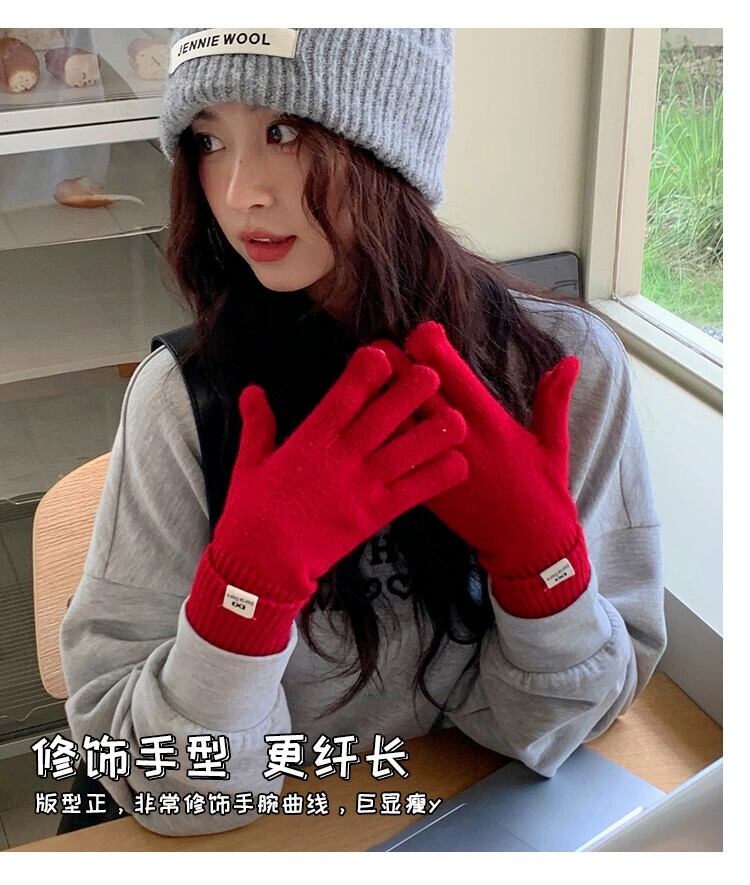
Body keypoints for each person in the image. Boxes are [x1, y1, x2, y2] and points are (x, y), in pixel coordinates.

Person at [59, 28, 667, 838]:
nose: (239, 191)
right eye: (207, 140)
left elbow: (561, 727)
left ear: (392, 136)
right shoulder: (187, 399)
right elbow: (165, 785)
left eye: (284, 130)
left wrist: (540, 568)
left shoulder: (557, 368)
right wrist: (246, 596)